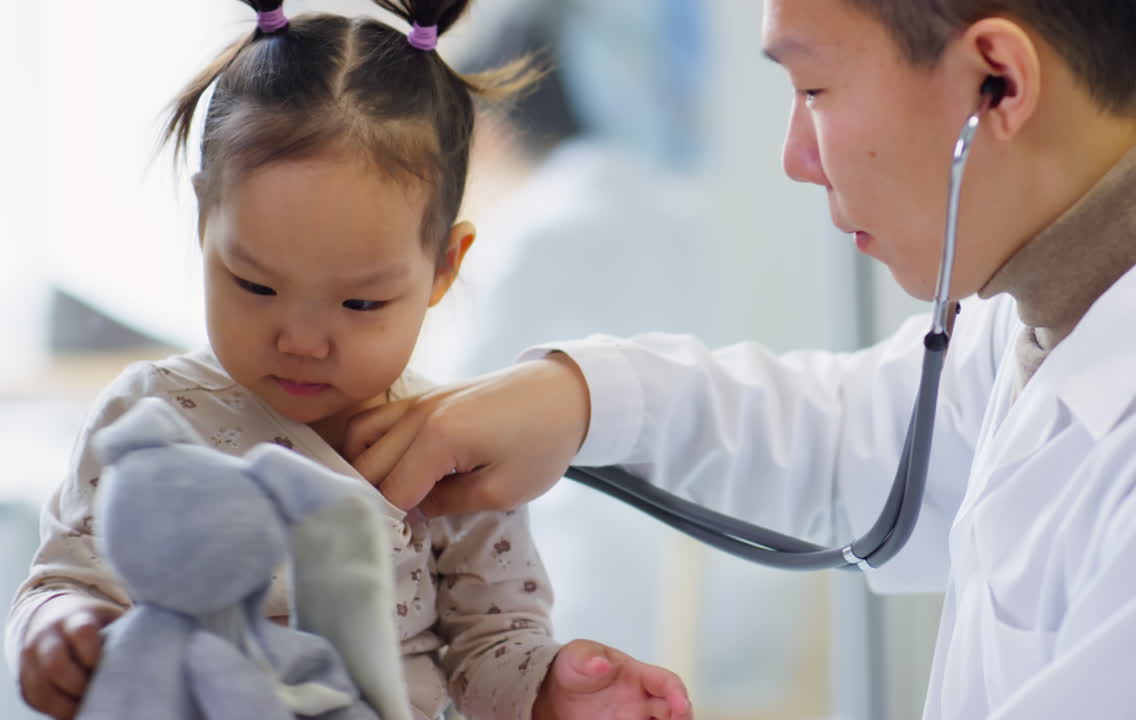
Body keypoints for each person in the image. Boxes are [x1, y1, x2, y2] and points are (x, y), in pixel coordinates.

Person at [335, 0, 1136, 718]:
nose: (796, 155)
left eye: (814, 90)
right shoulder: (1061, 305)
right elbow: (848, 436)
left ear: (998, 80)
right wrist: (576, 400)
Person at [3, 3, 692, 720]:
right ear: (205, 220)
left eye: (359, 304)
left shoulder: (455, 452)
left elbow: (494, 655)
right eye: (256, 286)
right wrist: (53, 631)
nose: (301, 340)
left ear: (443, 268)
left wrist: (558, 690)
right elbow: (64, 580)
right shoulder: (147, 416)